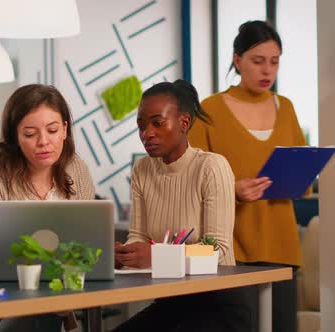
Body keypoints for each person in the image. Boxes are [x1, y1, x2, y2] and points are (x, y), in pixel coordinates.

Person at [188, 20, 304, 332]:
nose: (267, 70)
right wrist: (232, 190)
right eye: (258, 61)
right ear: (237, 60)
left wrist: (300, 178)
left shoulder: (287, 107)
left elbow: (300, 175)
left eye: (274, 62)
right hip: (228, 249)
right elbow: (190, 182)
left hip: (280, 245)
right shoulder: (209, 110)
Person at [113, 80, 252, 332]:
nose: (147, 133)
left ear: (184, 123)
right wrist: (125, 255)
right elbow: (138, 236)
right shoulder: (142, 169)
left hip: (217, 303)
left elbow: (218, 251)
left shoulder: (211, 167)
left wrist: (156, 255)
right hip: (171, 303)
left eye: (157, 123)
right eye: (141, 126)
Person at [0, 84, 95, 332]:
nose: (43, 142)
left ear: (64, 129)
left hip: (46, 296)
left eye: (52, 130)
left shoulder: (77, 170)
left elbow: (83, 243)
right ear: (16, 138)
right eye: (30, 134)